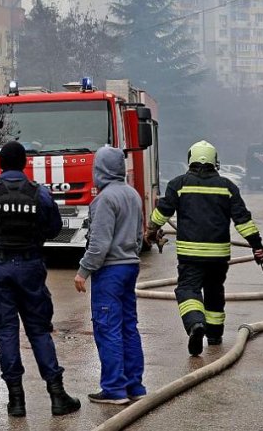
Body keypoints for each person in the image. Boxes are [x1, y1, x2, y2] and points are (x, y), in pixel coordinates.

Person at [0, 141, 81, 418]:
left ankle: (16, 401)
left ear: (1, 165)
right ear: (24, 164)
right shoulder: (39, 193)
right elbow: (54, 229)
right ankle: (57, 396)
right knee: (39, 331)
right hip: (30, 267)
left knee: (6, 332)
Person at [148, 140, 263, 356]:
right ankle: (214, 336)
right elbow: (243, 220)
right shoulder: (227, 187)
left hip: (190, 255)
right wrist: (257, 245)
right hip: (218, 257)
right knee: (214, 292)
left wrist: (151, 229)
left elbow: (161, 213)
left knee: (188, 289)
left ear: (190, 159)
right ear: (214, 161)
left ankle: (195, 324)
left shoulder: (178, 184)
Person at [74, 146, 146, 405]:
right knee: (128, 326)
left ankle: (114, 389)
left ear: (100, 170)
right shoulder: (133, 195)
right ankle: (134, 386)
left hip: (110, 271)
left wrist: (84, 271)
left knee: (107, 327)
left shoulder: (104, 199)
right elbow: (139, 236)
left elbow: (99, 243)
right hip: (130, 266)